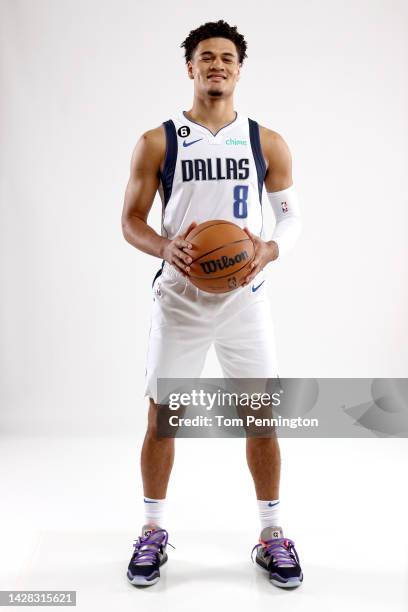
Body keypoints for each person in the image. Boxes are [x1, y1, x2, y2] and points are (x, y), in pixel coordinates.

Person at [121, 19, 303, 589]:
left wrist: (270, 248)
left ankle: (271, 534)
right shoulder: (159, 140)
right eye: (206, 57)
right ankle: (152, 531)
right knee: (164, 419)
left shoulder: (263, 140)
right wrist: (165, 245)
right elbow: (130, 221)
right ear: (191, 67)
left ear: (239, 68)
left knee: (261, 418)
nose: (217, 65)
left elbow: (292, 216)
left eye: (227, 57)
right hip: (180, 298)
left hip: (245, 298)